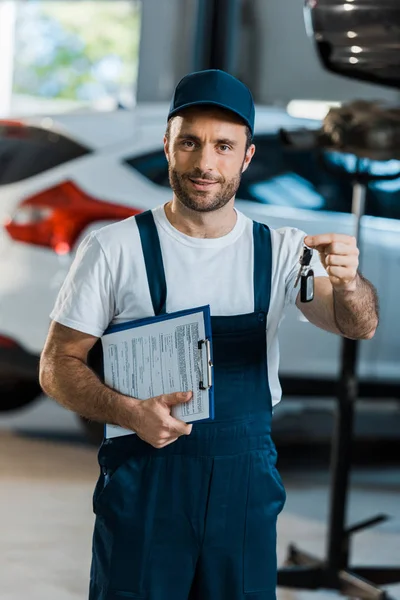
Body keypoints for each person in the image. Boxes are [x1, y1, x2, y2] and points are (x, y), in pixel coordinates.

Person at [39, 69, 379, 600]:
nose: (205, 163)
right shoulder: (115, 249)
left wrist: (350, 281)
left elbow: (357, 325)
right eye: (190, 143)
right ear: (168, 147)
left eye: (224, 146)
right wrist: (129, 413)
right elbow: (58, 365)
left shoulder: (282, 251)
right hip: (145, 474)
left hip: (243, 481)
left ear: (245, 157)